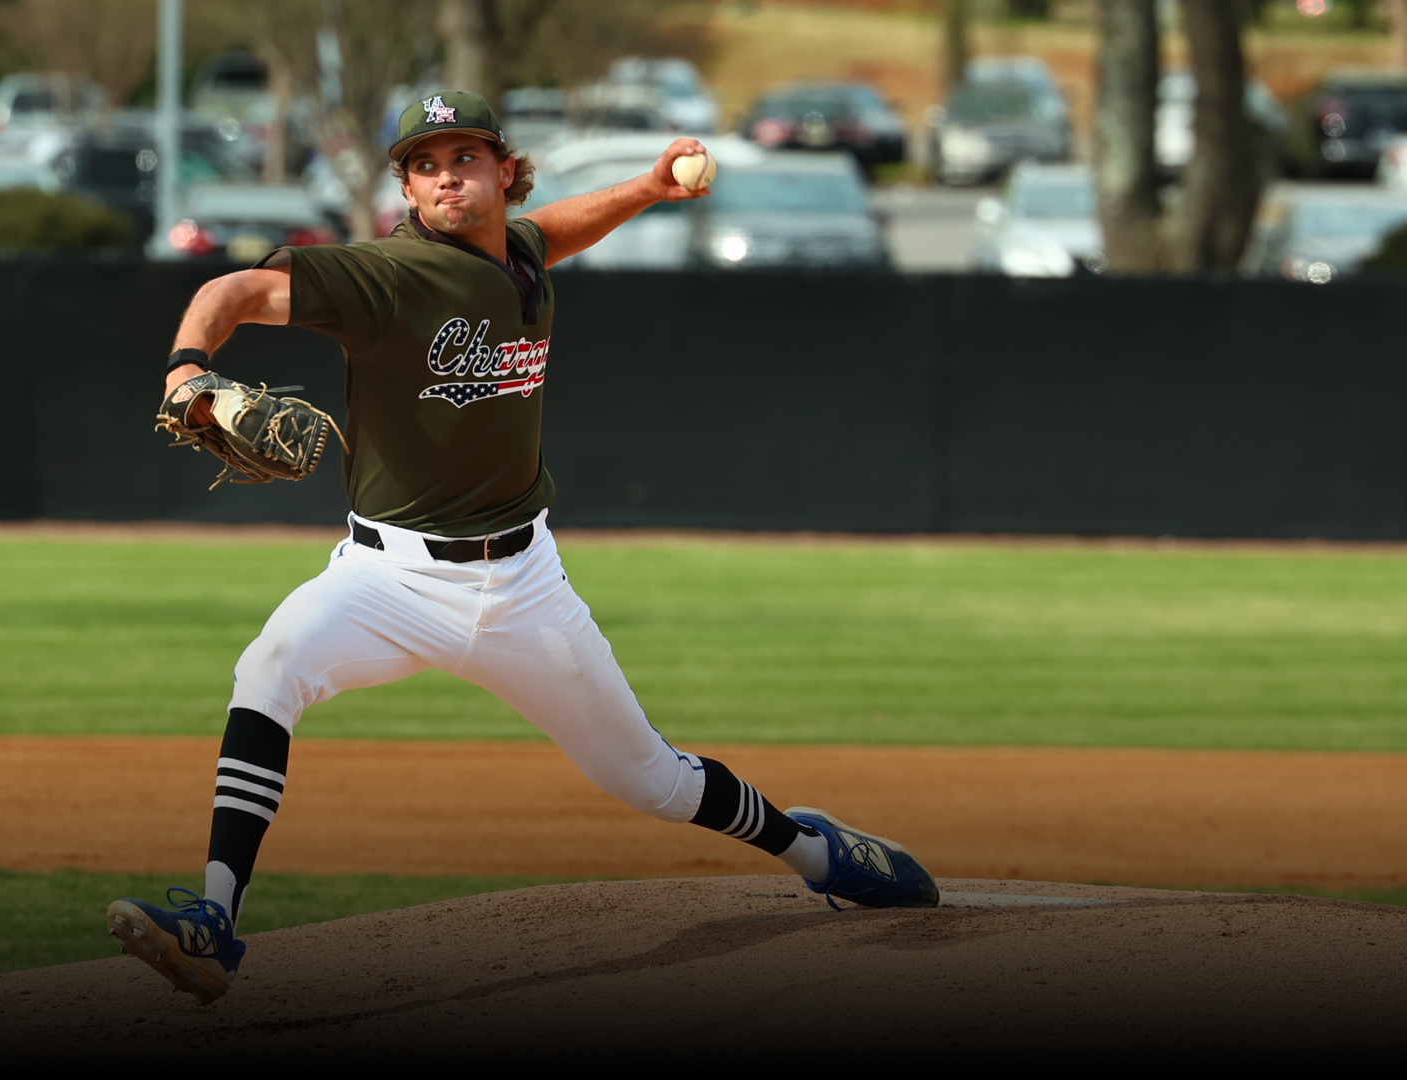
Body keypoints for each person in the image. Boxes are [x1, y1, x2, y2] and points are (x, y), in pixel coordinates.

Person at [107, 91, 938, 1005]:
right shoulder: (385, 275)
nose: (444, 176)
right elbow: (237, 291)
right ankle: (215, 921)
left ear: (504, 170)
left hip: (526, 586)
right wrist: (190, 367)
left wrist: (648, 189)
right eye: (425, 164)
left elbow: (551, 232)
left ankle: (816, 849)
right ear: (409, 188)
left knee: (651, 780)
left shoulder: (521, 254)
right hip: (387, 577)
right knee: (269, 666)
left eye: (464, 158)